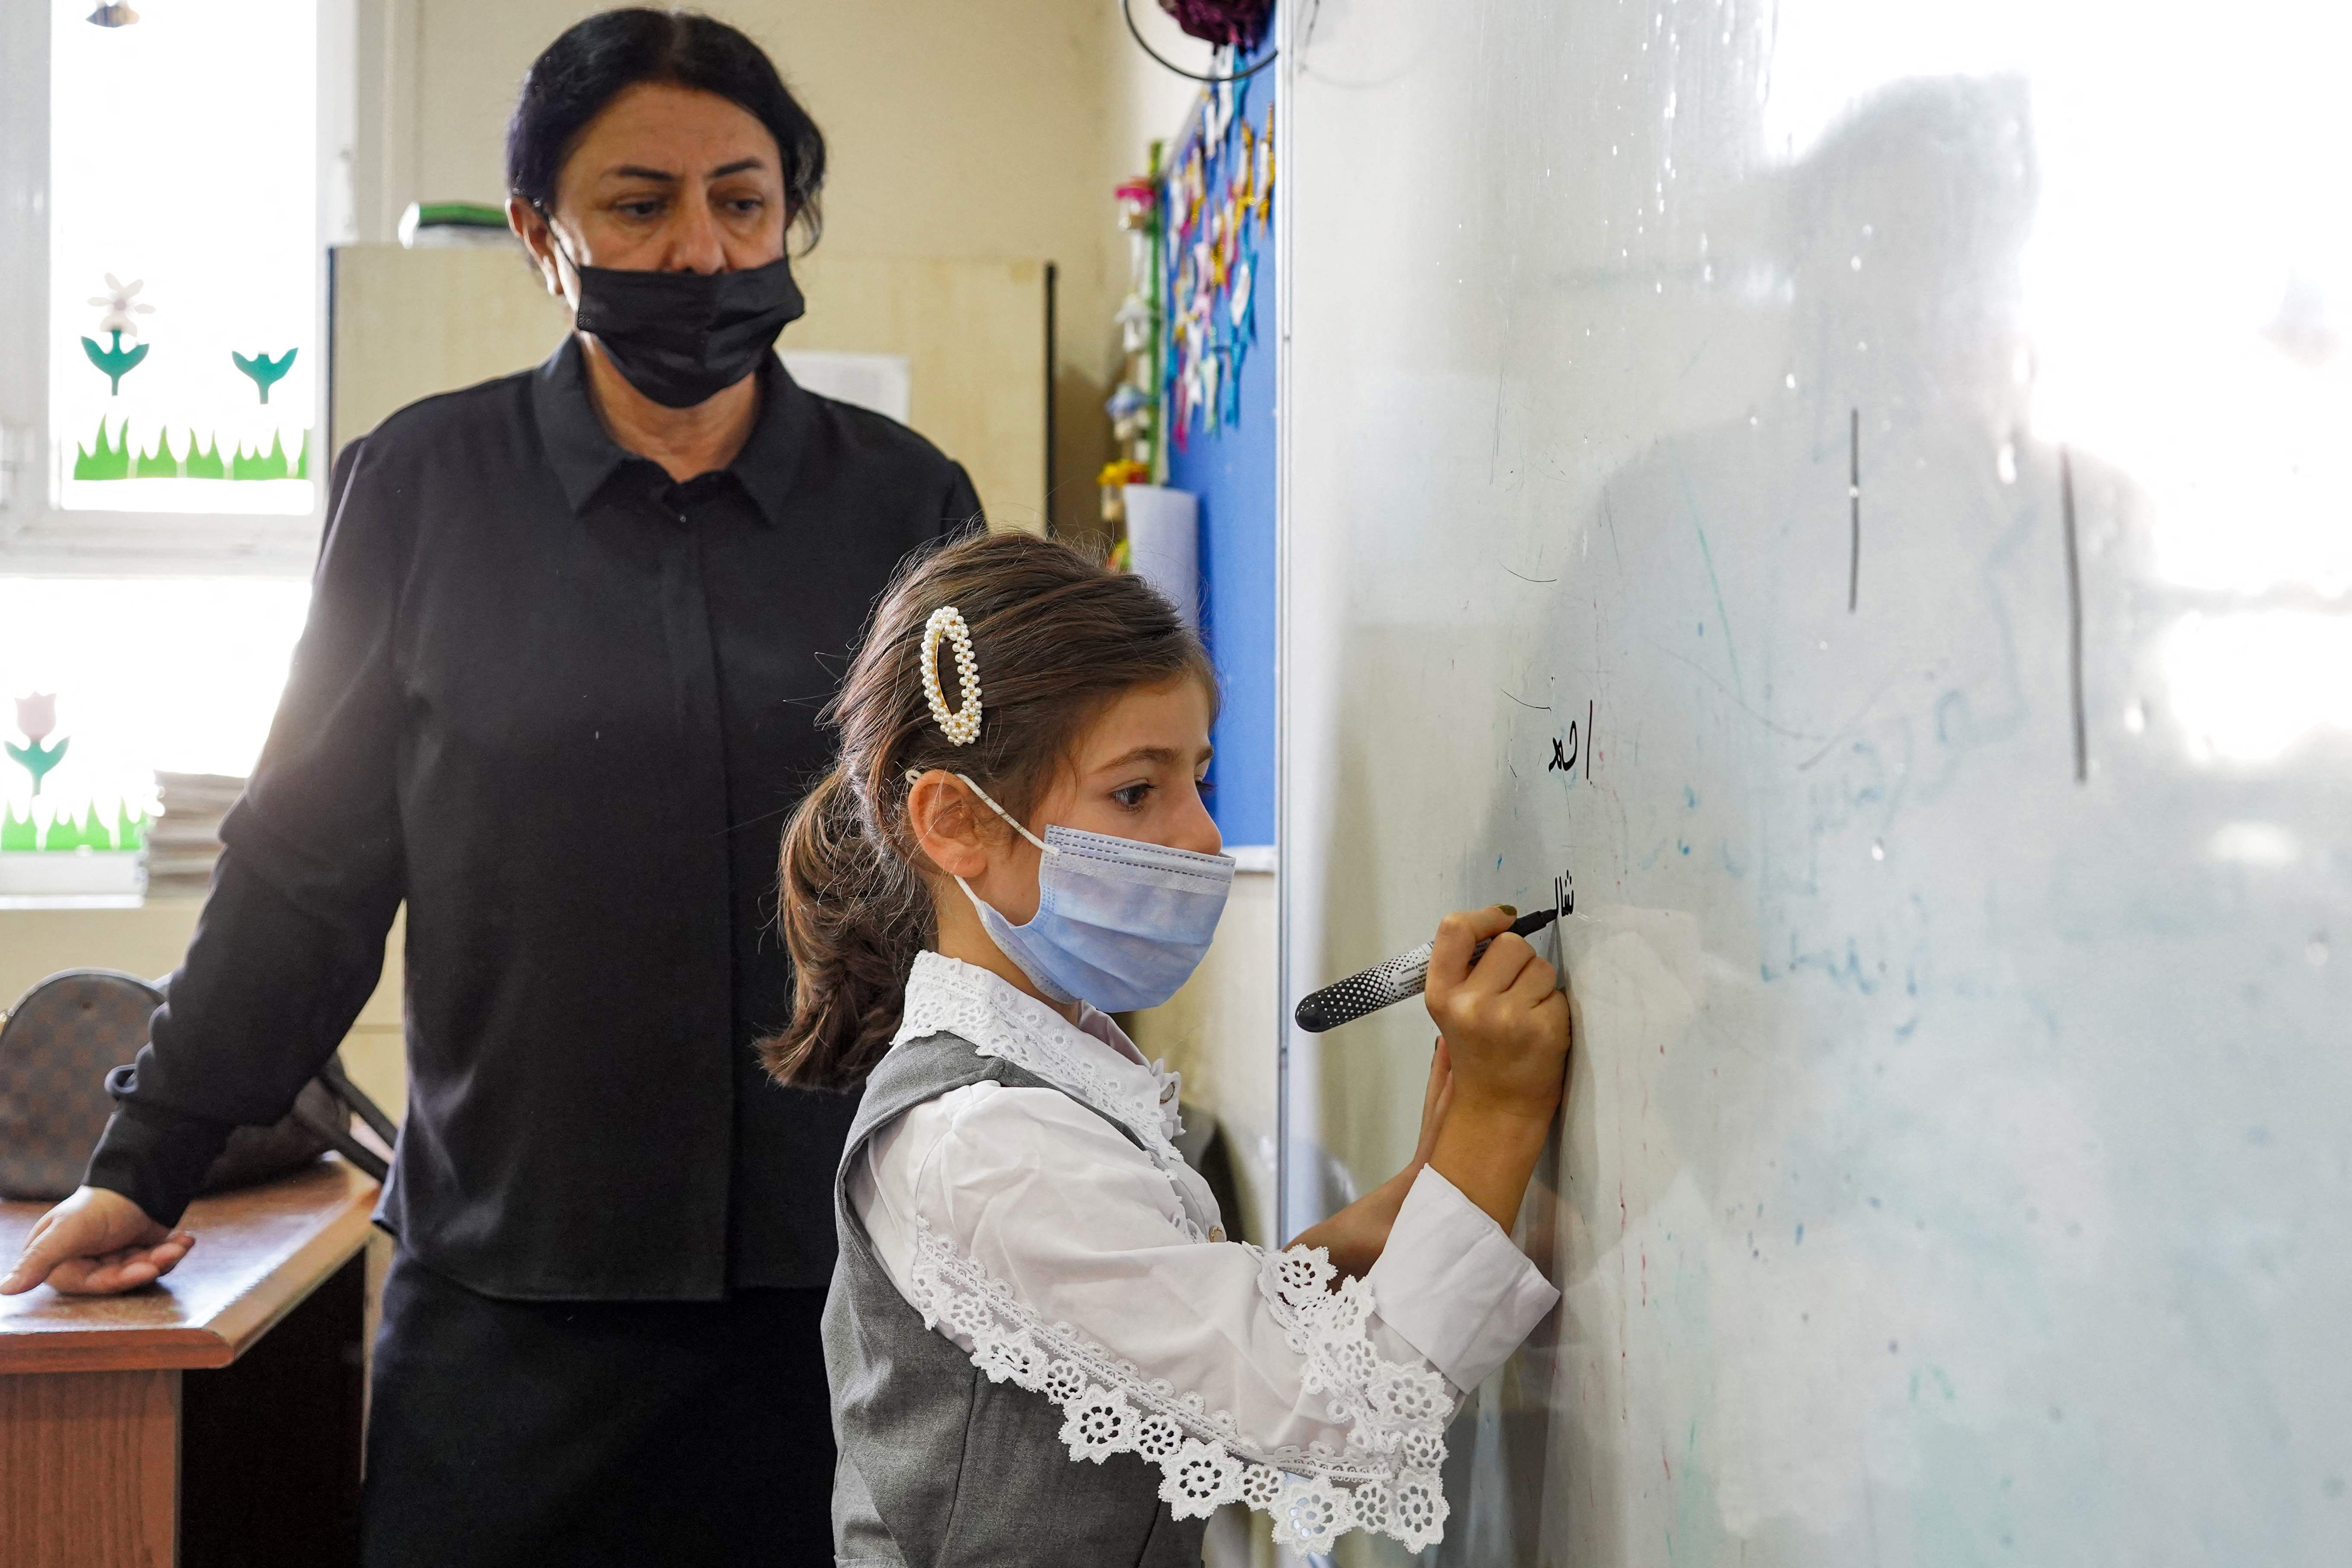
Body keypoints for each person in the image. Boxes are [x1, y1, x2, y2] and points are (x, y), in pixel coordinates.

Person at [0, 11, 977, 1564]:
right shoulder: (420, 490)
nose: (701, 247)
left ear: (791, 212)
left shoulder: (907, 503)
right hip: (511, 1307)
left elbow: (969, 876)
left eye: (742, 197)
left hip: (839, 1290)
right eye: (636, 204)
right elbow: (305, 869)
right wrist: (143, 1163)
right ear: (539, 233)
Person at [767, 530, 1573, 1564]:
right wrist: (1501, 1118)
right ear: (957, 822)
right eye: (1138, 792)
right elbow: (1344, 1420)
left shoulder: (1053, 1063)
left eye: (1199, 779)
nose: (1202, 836)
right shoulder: (992, 1143)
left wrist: (1429, 1182)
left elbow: (1180, 1309)